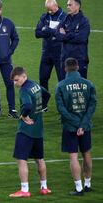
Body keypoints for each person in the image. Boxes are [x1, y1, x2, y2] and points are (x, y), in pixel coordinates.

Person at [55, 58, 96, 195]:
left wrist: (76, 124)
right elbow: (92, 105)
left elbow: (61, 109)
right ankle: (88, 184)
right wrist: (83, 124)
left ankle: (79, 188)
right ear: (77, 67)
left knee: (73, 156)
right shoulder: (89, 84)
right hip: (85, 126)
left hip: (70, 127)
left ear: (65, 68)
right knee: (86, 154)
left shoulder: (60, 86)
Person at [9, 67, 51, 198]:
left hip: (26, 130)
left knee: (21, 159)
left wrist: (24, 116)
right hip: (38, 129)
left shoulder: (24, 90)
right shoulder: (35, 85)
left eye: (16, 80)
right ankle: (44, 187)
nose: (15, 84)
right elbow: (47, 94)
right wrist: (41, 109)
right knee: (39, 159)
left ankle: (24, 189)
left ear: (23, 77)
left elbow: (27, 106)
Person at [35, 0, 66, 111]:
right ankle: (43, 104)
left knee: (62, 80)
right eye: (47, 9)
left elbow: (64, 34)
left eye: (51, 9)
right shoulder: (44, 16)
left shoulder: (64, 17)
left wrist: (48, 30)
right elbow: (37, 33)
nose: (49, 12)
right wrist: (54, 31)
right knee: (43, 78)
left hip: (60, 54)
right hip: (46, 53)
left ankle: (64, 106)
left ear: (56, 6)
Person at [55, 0, 90, 79]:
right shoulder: (65, 19)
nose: (67, 7)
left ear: (77, 6)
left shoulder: (84, 21)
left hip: (79, 59)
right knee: (64, 84)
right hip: (65, 58)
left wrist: (66, 35)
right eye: (67, 5)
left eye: (70, 5)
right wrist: (72, 35)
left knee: (80, 85)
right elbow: (57, 35)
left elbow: (81, 38)